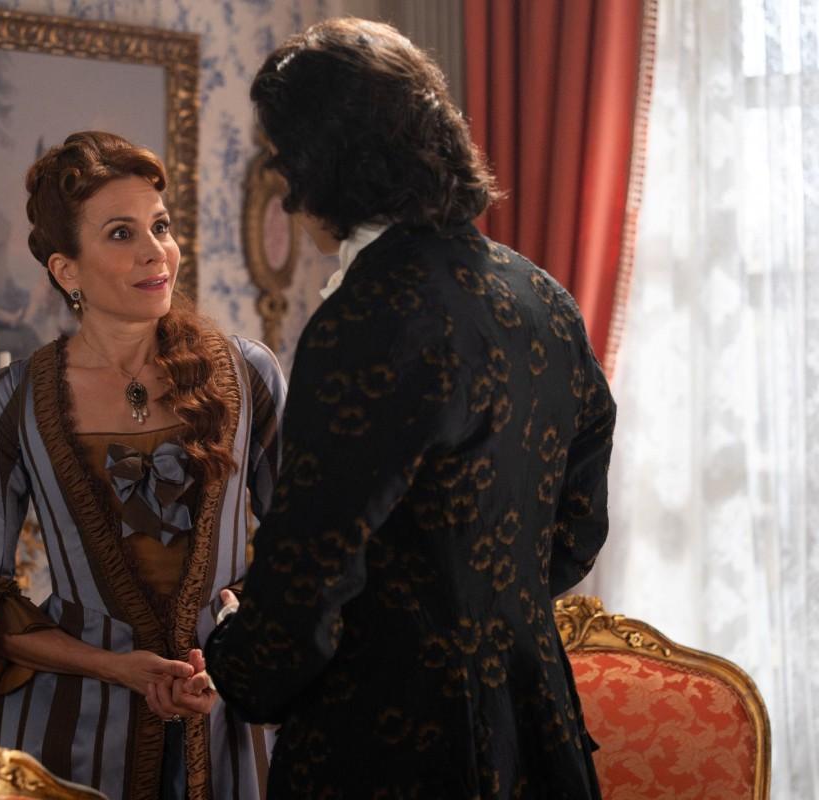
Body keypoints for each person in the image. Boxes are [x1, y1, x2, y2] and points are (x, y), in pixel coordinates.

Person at [202, 18, 615, 799]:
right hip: (531, 725)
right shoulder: (542, 297)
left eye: (284, 158)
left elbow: (311, 569)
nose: (284, 192)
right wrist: (478, 607)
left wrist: (236, 652)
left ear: (322, 161)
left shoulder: (372, 316)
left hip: (396, 743)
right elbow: (576, 529)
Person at [0, 131, 286, 800]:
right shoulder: (10, 403)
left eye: (160, 226)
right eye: (122, 233)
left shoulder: (248, 374)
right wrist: (120, 668)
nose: (156, 251)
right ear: (67, 271)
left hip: (229, 712)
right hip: (75, 735)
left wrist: (240, 626)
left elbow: (306, 549)